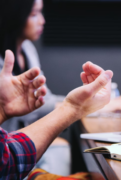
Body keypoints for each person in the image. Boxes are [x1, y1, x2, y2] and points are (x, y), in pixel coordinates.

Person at [0, 0, 121, 175]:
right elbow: (37, 109)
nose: (42, 20)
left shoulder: (27, 49)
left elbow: (42, 99)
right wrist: (80, 107)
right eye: (34, 14)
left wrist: (77, 105)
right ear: (14, 16)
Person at [0, 49, 113, 179]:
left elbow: (7, 157)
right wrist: (73, 107)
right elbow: (7, 162)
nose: (42, 26)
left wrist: (2, 109)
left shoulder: (27, 48)